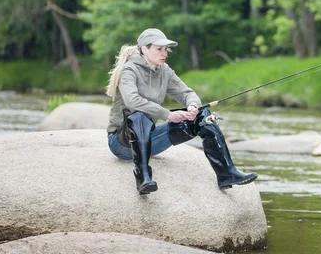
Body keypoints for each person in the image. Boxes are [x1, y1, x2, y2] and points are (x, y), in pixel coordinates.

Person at [105, 28, 257, 194]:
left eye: (165, 49)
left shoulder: (164, 70)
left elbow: (187, 93)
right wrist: (168, 115)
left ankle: (227, 174)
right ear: (144, 49)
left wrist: (192, 106)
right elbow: (132, 101)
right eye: (159, 49)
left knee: (202, 116)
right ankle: (143, 178)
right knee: (139, 117)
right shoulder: (129, 70)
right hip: (121, 142)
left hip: (149, 141)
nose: (165, 53)